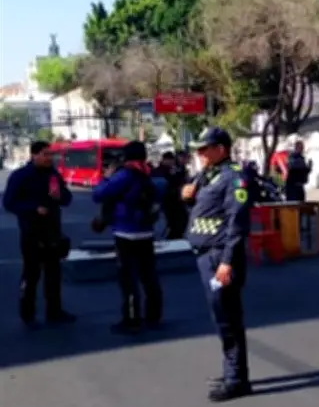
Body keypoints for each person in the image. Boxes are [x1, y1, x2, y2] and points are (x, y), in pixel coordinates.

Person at [182, 128, 252, 402]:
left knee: (228, 317)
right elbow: (202, 211)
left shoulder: (234, 178)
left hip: (219, 256)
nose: (199, 154)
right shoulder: (206, 175)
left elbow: (237, 223)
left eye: (205, 148)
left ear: (221, 149)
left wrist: (226, 262)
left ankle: (237, 379)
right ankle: (232, 371)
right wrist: (187, 197)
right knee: (221, 316)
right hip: (205, 253)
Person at [92, 141, 165, 334]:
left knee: (128, 278)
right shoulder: (149, 174)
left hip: (125, 232)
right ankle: (153, 315)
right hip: (146, 231)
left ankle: (131, 319)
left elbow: (99, 194)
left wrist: (106, 178)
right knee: (149, 276)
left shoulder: (124, 176)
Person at [3, 141, 75, 327]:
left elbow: (66, 198)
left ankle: (55, 311)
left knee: (54, 274)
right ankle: (28, 313)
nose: (49, 158)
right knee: (31, 274)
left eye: (51, 155)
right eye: (45, 154)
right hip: (31, 232)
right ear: (34, 155)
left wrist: (60, 195)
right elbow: (9, 203)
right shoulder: (21, 176)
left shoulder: (53, 175)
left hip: (53, 231)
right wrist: (33, 209)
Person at [151, 151, 188, 239]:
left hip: (175, 201)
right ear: (165, 160)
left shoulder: (176, 169)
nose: (171, 162)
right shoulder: (160, 171)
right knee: (173, 222)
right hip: (168, 202)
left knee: (179, 222)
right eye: (170, 160)